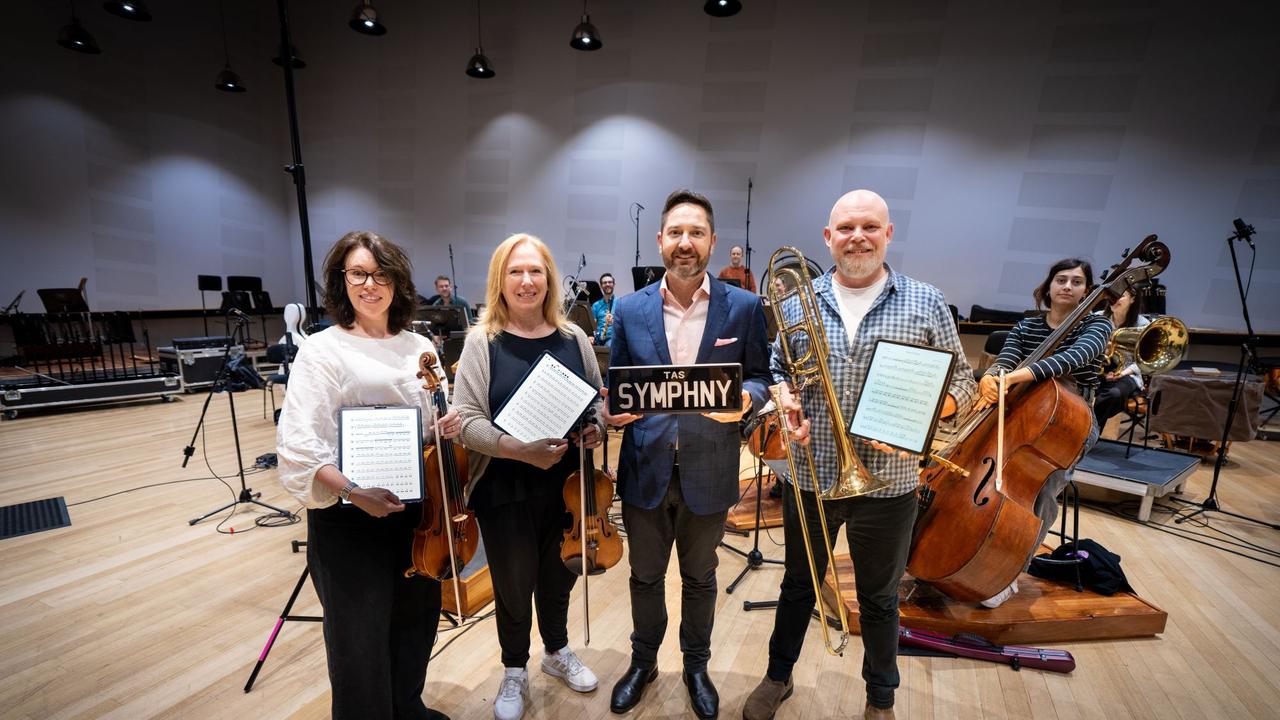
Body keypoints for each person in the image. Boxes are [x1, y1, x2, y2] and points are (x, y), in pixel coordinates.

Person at [742, 190, 975, 720]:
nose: (857, 237)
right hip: (811, 475)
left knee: (879, 598)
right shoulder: (798, 301)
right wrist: (783, 397)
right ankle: (778, 678)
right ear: (829, 238)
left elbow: (962, 379)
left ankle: (880, 700)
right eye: (845, 228)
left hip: (890, 483)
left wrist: (926, 416)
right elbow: (779, 369)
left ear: (888, 234)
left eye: (870, 226)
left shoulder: (926, 301)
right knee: (798, 586)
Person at [276, 230, 460, 720]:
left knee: (416, 623)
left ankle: (407, 707)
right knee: (358, 639)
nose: (370, 284)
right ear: (342, 280)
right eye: (358, 273)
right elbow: (299, 445)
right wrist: (355, 492)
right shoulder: (322, 349)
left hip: (418, 514)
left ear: (398, 282)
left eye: (381, 274)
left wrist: (449, 422)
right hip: (351, 518)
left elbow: (436, 416)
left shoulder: (420, 345)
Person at [603, 189, 772, 719]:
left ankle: (696, 667)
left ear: (712, 242)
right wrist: (612, 412)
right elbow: (619, 387)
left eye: (696, 233)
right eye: (675, 233)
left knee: (701, 579)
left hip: (711, 469)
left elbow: (763, 377)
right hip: (644, 470)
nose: (685, 243)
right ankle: (644, 662)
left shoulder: (743, 307)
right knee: (644, 578)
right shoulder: (629, 309)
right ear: (659, 240)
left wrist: (749, 398)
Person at [451, 233, 605, 720]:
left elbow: (596, 400)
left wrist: (595, 429)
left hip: (564, 482)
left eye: (535, 271)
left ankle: (556, 652)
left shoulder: (573, 338)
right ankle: (514, 669)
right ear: (500, 280)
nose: (526, 280)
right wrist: (516, 449)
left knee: (559, 575)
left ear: (549, 279)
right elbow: (467, 421)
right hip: (505, 485)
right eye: (515, 271)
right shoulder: (483, 342)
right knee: (514, 584)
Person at [973, 257, 1111, 608]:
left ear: (1087, 290)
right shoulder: (1027, 325)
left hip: (1070, 421)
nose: (1067, 286)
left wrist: (1018, 376)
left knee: (1041, 489)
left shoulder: (1097, 324)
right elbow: (1007, 358)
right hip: (1022, 409)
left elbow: (1074, 359)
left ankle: (1010, 572)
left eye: (1077, 282)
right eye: (1061, 279)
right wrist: (993, 376)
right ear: (1048, 286)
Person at [1093, 290, 1150, 428]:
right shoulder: (1097, 317)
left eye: (1121, 295)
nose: (1115, 299)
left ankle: (1087, 427)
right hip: (1096, 370)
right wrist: (1101, 348)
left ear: (1132, 299)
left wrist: (1122, 373)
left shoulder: (1143, 325)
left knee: (1114, 394)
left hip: (1127, 373)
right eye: (1113, 295)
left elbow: (1144, 360)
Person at [590, 272, 617, 345]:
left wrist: (614, 321)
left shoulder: (620, 303)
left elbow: (625, 324)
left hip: (612, 338)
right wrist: (590, 336)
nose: (607, 284)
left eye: (610, 282)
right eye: (605, 283)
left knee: (610, 345)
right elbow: (592, 325)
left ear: (614, 284)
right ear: (601, 286)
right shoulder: (596, 305)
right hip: (598, 338)